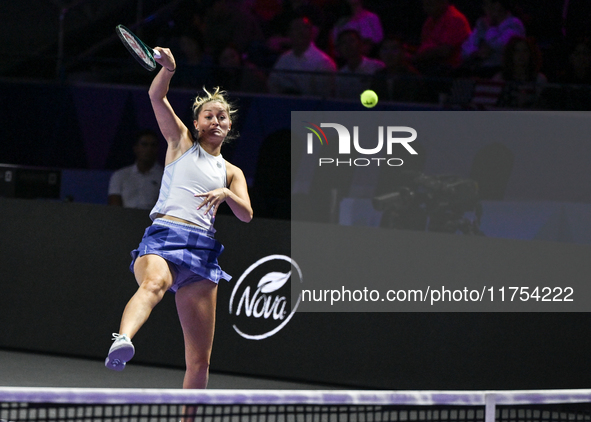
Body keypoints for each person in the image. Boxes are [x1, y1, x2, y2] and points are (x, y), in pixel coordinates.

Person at [105, 46, 253, 394]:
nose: (215, 120)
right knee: (153, 285)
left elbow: (246, 215)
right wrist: (168, 70)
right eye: (208, 115)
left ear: (229, 125)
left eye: (222, 116)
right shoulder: (181, 141)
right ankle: (122, 340)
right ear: (197, 122)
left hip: (202, 254)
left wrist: (228, 195)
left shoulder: (232, 172)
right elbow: (156, 95)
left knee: (199, 361)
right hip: (165, 237)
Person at [267, 16, 337, 97]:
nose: (301, 31)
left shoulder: (323, 62)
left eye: (305, 28)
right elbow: (272, 86)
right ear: (289, 34)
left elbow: (324, 99)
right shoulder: (284, 59)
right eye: (297, 28)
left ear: (311, 32)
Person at [461, 0, 525, 78]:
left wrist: (490, 27)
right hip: (480, 69)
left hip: (503, 71)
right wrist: (477, 53)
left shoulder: (514, 24)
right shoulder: (481, 23)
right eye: (485, 5)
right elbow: (465, 48)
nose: (486, 8)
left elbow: (500, 45)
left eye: (489, 3)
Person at [108, 129, 164, 210]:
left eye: (153, 145)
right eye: (144, 145)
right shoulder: (120, 175)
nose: (149, 149)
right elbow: (114, 206)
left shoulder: (166, 177)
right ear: (136, 148)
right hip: (124, 220)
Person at [412, 0, 471, 76]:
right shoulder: (429, 22)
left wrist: (417, 58)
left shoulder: (455, 19)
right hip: (431, 68)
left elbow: (445, 52)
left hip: (451, 74)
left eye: (431, 3)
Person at [492, 36, 547, 108]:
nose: (521, 55)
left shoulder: (539, 79)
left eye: (525, 51)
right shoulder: (499, 78)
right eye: (517, 51)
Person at [334, 29, 385, 99]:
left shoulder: (377, 67)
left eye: (351, 41)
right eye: (343, 42)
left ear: (360, 44)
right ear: (339, 48)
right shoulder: (340, 75)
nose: (348, 45)